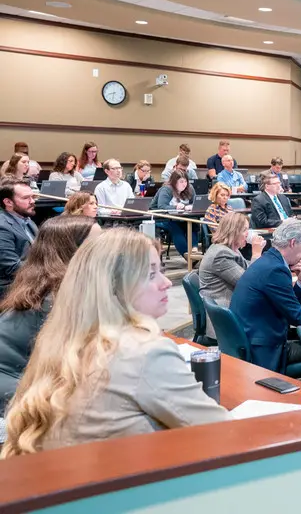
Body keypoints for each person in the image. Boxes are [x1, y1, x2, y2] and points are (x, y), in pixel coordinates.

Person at [0, 229, 230, 456]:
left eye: (162, 270)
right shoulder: (144, 352)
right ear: (113, 288)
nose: (167, 283)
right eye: (150, 274)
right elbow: (226, 432)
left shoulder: (63, 342)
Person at [0, 217, 97, 409]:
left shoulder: (45, 285)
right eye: (97, 244)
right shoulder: (58, 298)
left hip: (26, 383)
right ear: (74, 252)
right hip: (17, 392)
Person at [230, 219, 301, 372]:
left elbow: (286, 305)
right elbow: (298, 317)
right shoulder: (275, 270)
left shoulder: (269, 260)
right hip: (263, 349)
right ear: (293, 243)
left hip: (251, 337)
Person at [199, 212, 265, 339]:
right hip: (224, 319)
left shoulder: (232, 250)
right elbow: (248, 284)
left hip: (234, 309)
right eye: (245, 230)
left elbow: (248, 269)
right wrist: (256, 254)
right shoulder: (221, 254)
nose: (248, 234)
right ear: (233, 231)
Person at [0, 181, 38, 299]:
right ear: (8, 202)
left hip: (29, 279)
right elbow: (11, 267)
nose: (32, 201)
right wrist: (46, 269)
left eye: (32, 197)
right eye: (26, 198)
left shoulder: (27, 220)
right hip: (10, 287)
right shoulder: (2, 227)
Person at [152, 171, 195, 259]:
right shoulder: (166, 189)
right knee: (175, 227)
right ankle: (187, 254)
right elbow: (162, 206)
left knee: (193, 223)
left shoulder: (189, 188)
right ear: (174, 182)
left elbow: (194, 202)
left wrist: (190, 206)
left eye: (185, 181)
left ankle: (194, 250)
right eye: (181, 182)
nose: (184, 184)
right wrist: (176, 207)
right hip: (160, 218)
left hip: (179, 217)